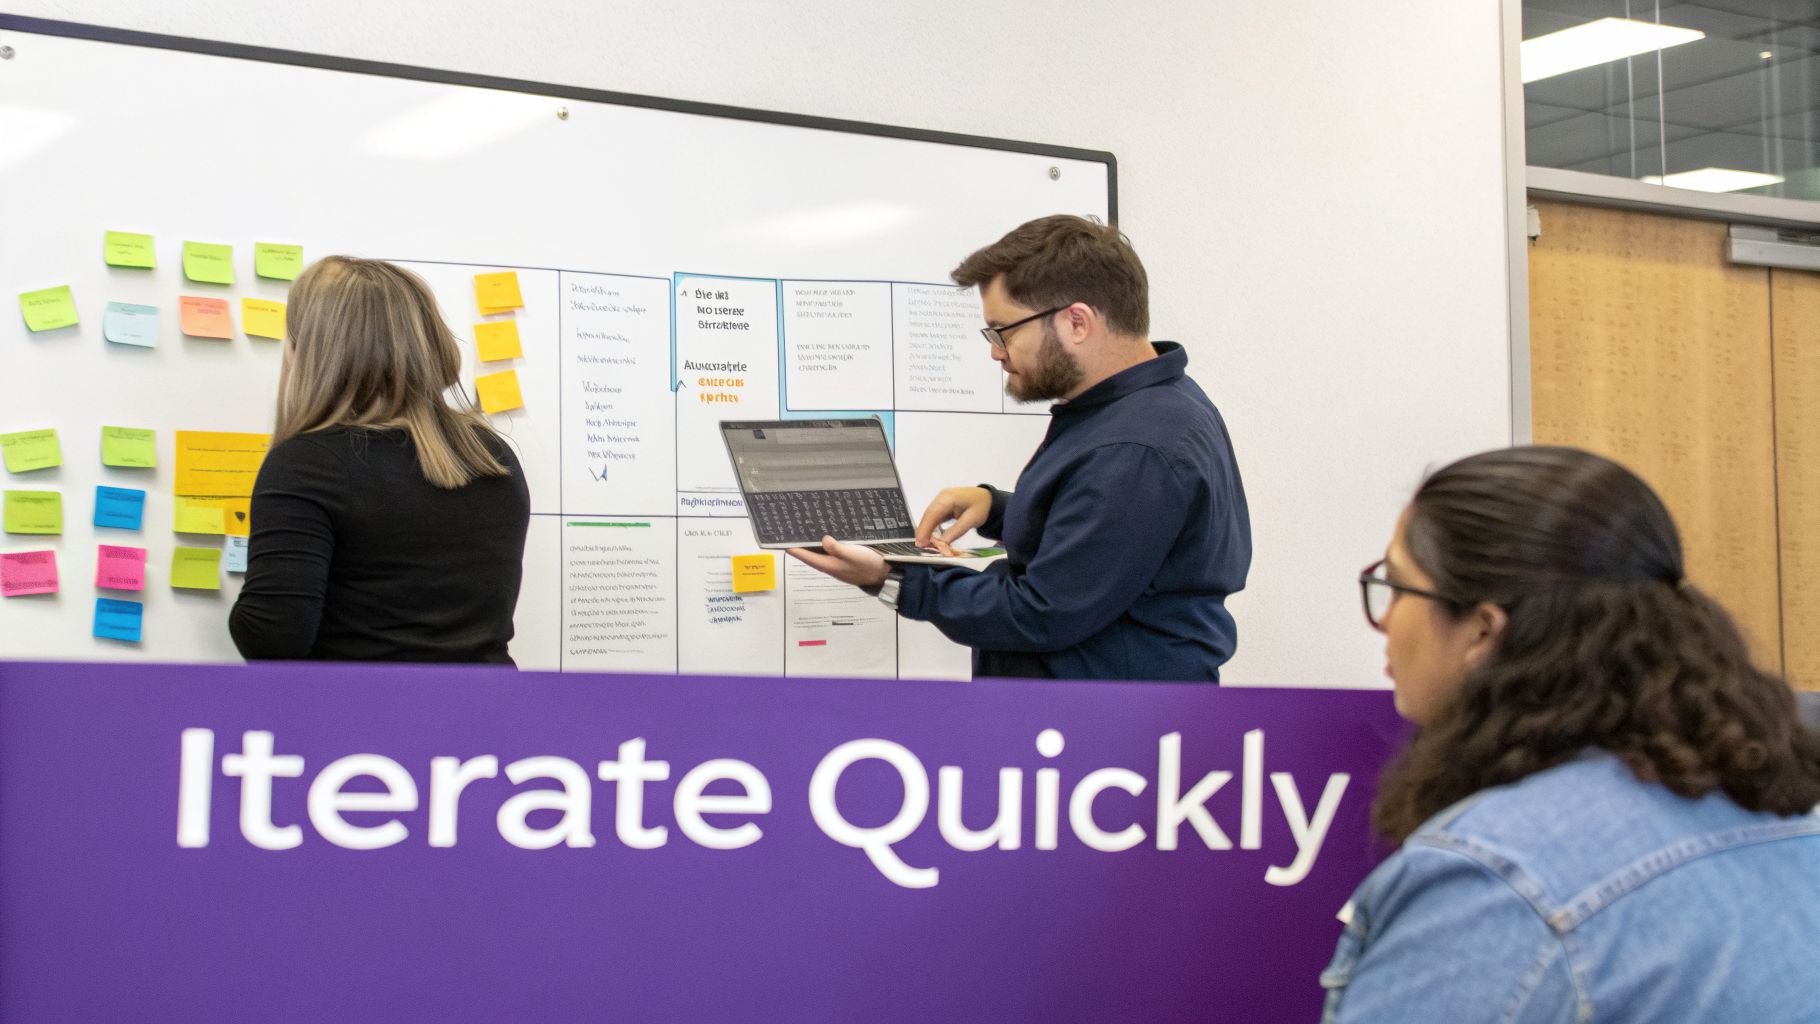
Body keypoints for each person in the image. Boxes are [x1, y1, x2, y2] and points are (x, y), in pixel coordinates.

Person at [1326, 446, 1820, 1021]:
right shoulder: (1789, 821)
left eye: (1398, 584)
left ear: (1483, 630)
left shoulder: (1493, 881)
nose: (1385, 618)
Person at [789, 215, 1250, 680]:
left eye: (1002, 330)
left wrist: (891, 578)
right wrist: (998, 509)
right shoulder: (1149, 406)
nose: (995, 351)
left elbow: (1040, 613)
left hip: (1102, 734)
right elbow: (1105, 538)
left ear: (1077, 321)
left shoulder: (1134, 447)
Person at [229, 256, 530, 663]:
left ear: (307, 352)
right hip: (485, 716)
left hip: (360, 717)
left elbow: (272, 639)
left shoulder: (308, 463)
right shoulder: (490, 453)